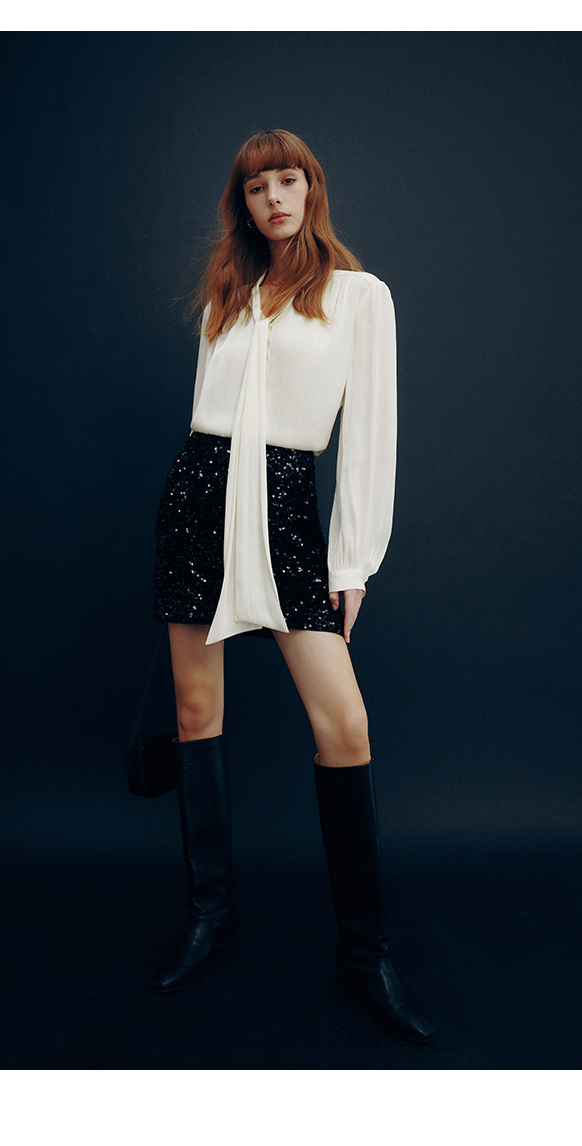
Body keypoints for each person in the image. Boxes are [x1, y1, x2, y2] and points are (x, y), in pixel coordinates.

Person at [151, 128, 433, 1044]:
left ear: (311, 189)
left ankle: (364, 953)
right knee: (197, 711)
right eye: (255, 186)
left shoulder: (358, 297)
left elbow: (372, 431)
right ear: (242, 203)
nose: (273, 197)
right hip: (200, 495)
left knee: (343, 723)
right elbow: (207, 414)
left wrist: (351, 561)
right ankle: (212, 917)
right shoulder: (227, 297)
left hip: (283, 507)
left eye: (287, 179)